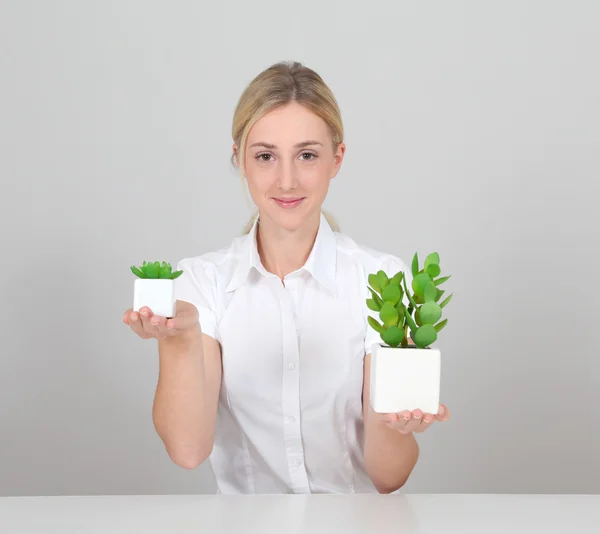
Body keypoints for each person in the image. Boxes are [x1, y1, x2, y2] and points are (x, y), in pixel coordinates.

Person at [123, 61, 450, 495]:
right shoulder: (203, 283)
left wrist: (401, 425)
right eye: (265, 156)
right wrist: (178, 340)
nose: (287, 180)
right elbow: (187, 450)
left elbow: (389, 477)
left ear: (337, 159)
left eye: (307, 155)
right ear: (239, 159)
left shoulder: (383, 281)